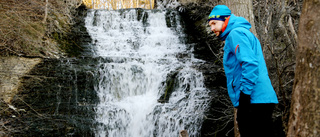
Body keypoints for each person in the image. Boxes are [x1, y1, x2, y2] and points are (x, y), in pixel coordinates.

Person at [207, 5, 279, 137]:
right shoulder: (239, 32)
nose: (212, 28)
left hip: (254, 100)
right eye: (210, 25)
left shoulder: (236, 33)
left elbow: (250, 64)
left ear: (226, 20)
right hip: (259, 99)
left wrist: (244, 98)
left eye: (214, 23)